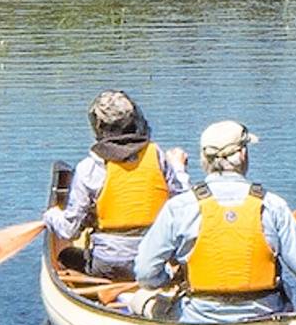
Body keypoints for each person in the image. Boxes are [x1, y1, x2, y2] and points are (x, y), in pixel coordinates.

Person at [135, 120, 296, 324]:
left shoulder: (180, 208)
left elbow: (145, 272)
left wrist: (168, 278)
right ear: (242, 154)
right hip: (264, 320)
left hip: (200, 319)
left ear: (204, 160)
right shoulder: (272, 206)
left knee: (141, 302)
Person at [44, 90, 191, 278]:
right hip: (156, 261)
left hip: (108, 265)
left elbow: (69, 231)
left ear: (98, 127)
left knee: (66, 255)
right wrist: (179, 169)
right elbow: (184, 207)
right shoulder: (158, 156)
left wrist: (51, 215)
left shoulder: (88, 168)